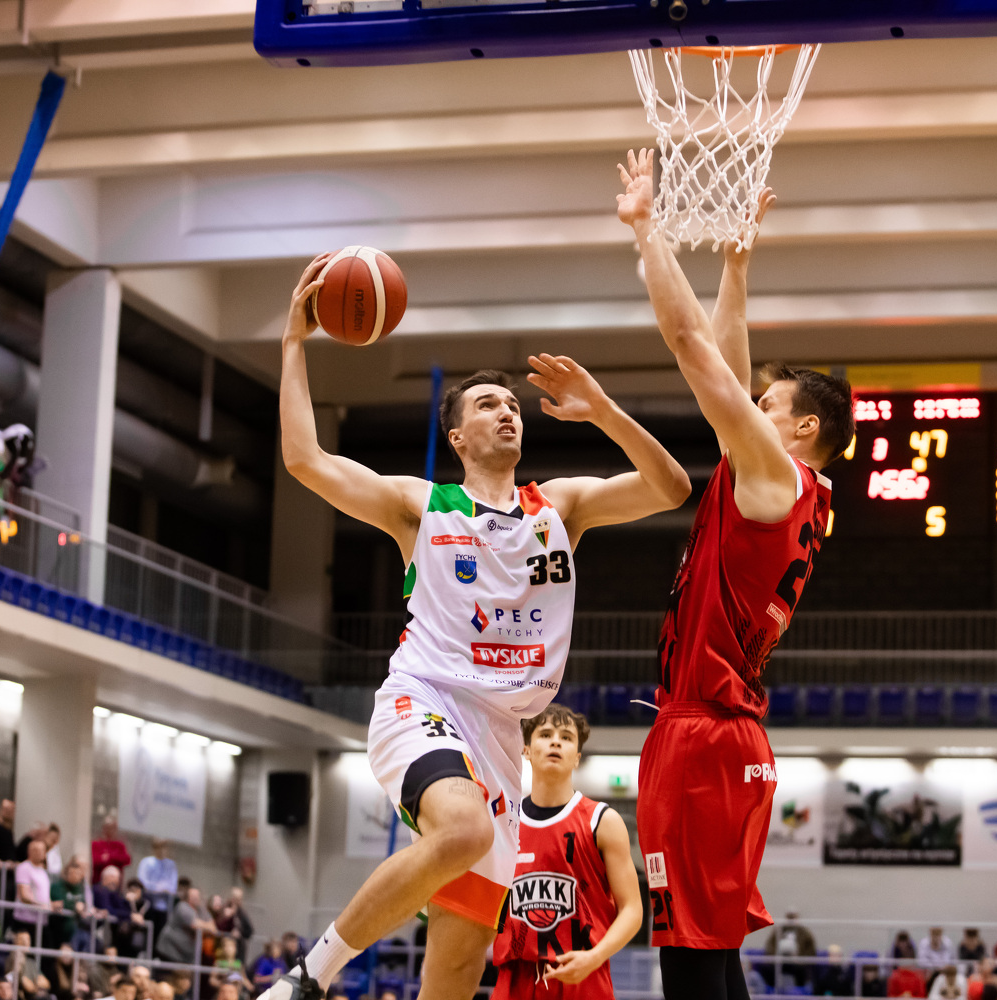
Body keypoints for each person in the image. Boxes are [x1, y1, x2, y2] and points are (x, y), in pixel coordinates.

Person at [267, 249, 688, 1000]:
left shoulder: (559, 506)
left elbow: (672, 487)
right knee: (463, 830)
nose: (507, 412)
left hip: (499, 737)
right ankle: (310, 977)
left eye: (513, 405)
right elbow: (305, 460)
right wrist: (295, 344)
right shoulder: (421, 505)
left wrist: (603, 410)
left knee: (459, 969)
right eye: (488, 405)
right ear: (458, 438)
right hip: (425, 699)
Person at [617, 148, 852, 1000]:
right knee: (710, 950)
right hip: (731, 738)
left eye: (769, 405)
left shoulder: (772, 476)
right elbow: (725, 359)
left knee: (688, 957)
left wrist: (647, 231)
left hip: (704, 737)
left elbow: (693, 348)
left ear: (803, 429)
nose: (753, 406)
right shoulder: (801, 493)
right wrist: (737, 268)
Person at [491, 705, 644, 999]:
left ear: (577, 757)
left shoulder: (602, 821)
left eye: (566, 737)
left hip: (584, 974)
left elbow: (633, 910)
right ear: (526, 750)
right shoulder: (503, 820)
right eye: (545, 734)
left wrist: (595, 956)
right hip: (516, 978)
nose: (555, 742)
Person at [158, 885, 218, 964]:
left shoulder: (201, 909)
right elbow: (195, 925)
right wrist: (206, 926)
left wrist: (205, 926)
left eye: (197, 895)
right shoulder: (182, 907)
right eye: (192, 896)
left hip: (185, 956)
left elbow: (214, 928)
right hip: (170, 951)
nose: (195, 898)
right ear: (187, 897)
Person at [14, 838, 56, 945]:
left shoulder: (43, 871)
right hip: (26, 920)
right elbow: (24, 895)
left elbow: (44, 895)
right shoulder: (24, 868)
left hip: (41, 920)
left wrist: (52, 905)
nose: (41, 853)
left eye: (43, 850)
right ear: (30, 851)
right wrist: (42, 905)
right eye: (37, 850)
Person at [764, 911, 819, 989]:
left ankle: (800, 990)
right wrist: (776, 956)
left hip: (798, 962)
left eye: (793, 918)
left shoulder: (805, 933)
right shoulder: (778, 931)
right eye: (789, 919)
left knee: (803, 971)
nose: (791, 921)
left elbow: (811, 950)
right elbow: (769, 946)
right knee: (767, 968)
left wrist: (800, 959)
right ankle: (772, 989)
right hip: (780, 961)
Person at [136, 839, 178, 934]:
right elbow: (142, 883)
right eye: (158, 847)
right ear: (154, 849)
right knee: (147, 933)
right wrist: (158, 888)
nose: (161, 850)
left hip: (164, 907)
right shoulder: (146, 862)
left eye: (164, 847)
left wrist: (163, 889)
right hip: (148, 905)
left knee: (160, 933)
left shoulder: (171, 865)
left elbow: (173, 888)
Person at [51, 858, 91, 950]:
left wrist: (82, 907)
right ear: (67, 873)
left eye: (77, 874)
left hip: (75, 929)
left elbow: (84, 905)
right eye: (72, 873)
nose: (74, 876)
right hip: (59, 927)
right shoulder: (57, 886)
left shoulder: (80, 889)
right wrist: (75, 906)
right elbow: (59, 904)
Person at [91, 814, 131, 885]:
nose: (110, 830)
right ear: (103, 828)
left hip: (115, 884)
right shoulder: (96, 843)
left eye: (112, 828)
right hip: (98, 882)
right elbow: (95, 861)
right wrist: (107, 859)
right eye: (108, 827)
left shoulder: (120, 844)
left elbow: (127, 860)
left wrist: (110, 856)